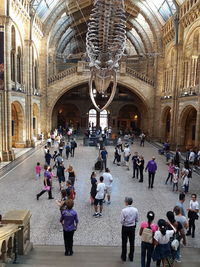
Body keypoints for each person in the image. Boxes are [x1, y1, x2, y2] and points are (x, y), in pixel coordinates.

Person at [120, 197, 138, 262]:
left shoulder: (123, 210)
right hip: (132, 227)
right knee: (132, 242)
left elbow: (121, 221)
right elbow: (137, 219)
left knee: (124, 242)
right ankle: (131, 256)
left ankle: (124, 256)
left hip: (125, 227)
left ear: (127, 202)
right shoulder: (135, 210)